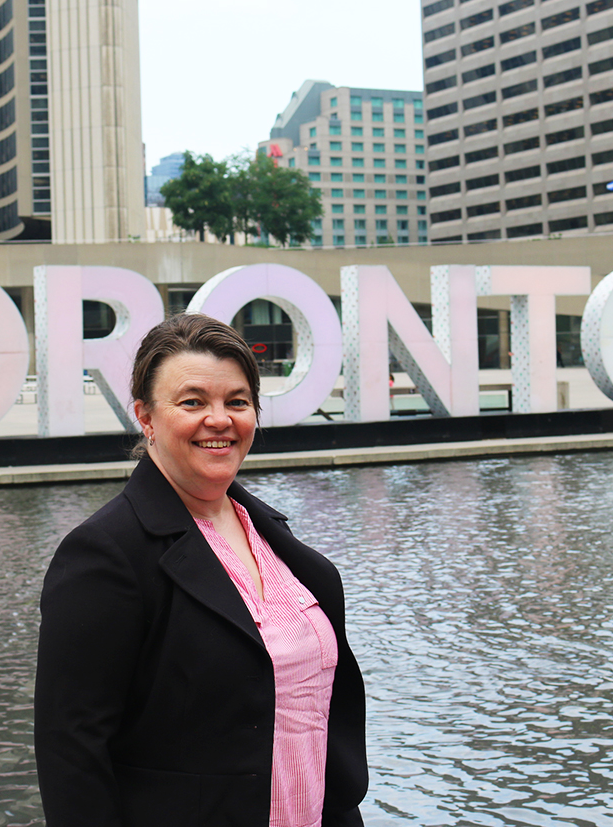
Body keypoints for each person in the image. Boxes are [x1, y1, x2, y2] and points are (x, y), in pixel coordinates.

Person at [35, 312, 368, 827]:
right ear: (146, 417)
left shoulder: (272, 536)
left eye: (236, 401)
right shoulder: (105, 554)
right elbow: (72, 753)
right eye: (193, 402)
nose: (219, 419)